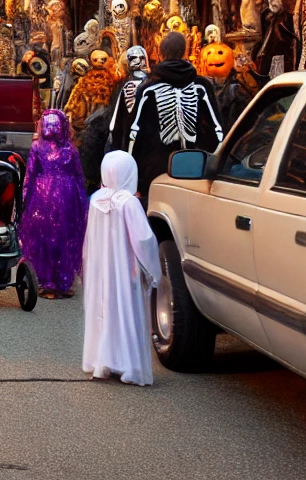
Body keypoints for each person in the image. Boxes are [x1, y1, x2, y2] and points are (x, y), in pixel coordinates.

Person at [82, 150, 160, 386]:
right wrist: (153, 270)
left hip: (100, 268)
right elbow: (143, 240)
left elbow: (89, 239)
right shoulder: (130, 203)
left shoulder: (96, 199)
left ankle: (102, 361)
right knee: (126, 311)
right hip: (125, 269)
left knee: (103, 310)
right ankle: (129, 365)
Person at [127, 31, 224, 204]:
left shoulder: (148, 87)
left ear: (161, 53)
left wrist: (134, 182)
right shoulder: (201, 85)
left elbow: (135, 133)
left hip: (155, 169)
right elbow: (217, 128)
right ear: (185, 52)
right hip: (196, 168)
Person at [19, 109, 88, 298]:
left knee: (42, 237)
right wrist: (83, 204)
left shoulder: (37, 148)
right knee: (64, 237)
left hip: (41, 198)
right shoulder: (70, 150)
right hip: (67, 198)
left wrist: (23, 202)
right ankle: (62, 282)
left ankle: (46, 282)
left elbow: (30, 176)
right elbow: (79, 178)